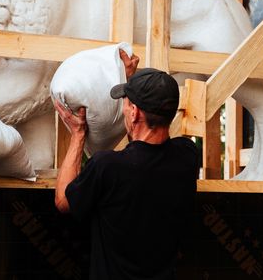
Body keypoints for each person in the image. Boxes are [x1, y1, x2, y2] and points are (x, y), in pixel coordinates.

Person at [54, 58, 199, 280]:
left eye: (126, 103)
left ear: (134, 113)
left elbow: (63, 202)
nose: (122, 109)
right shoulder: (187, 157)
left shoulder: (107, 167)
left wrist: (78, 134)